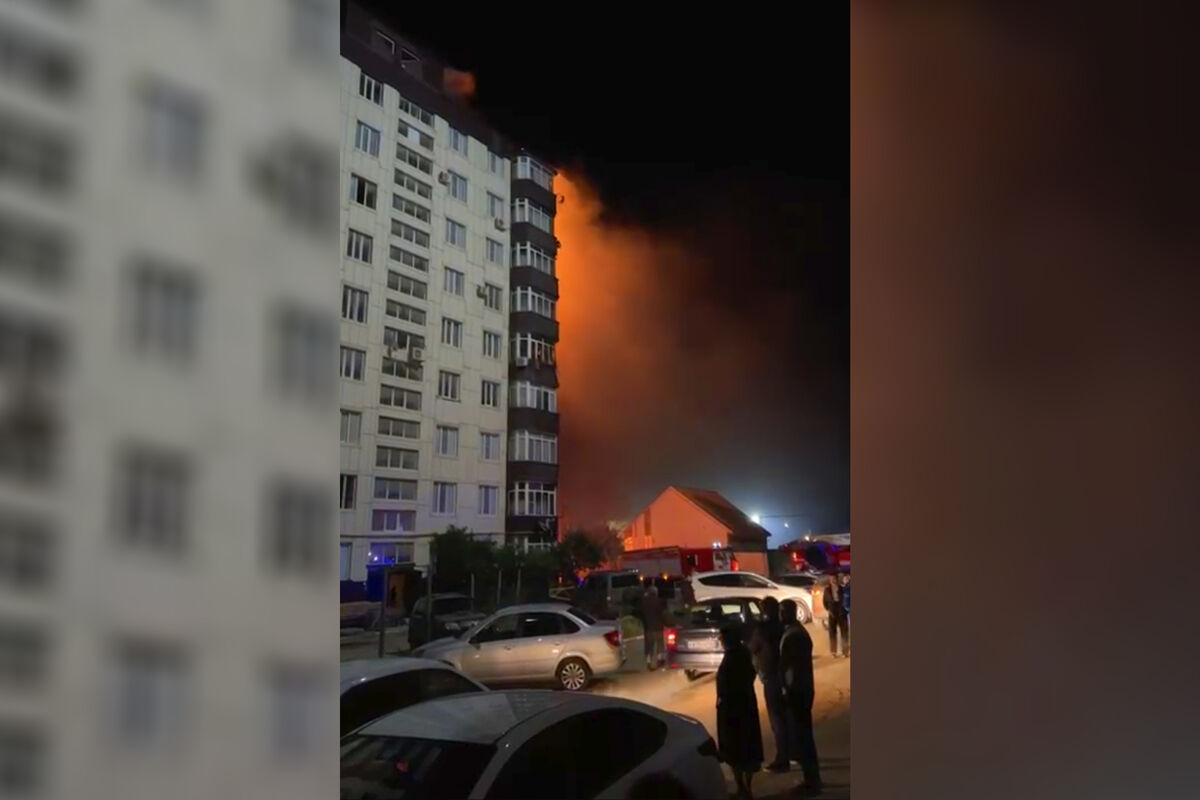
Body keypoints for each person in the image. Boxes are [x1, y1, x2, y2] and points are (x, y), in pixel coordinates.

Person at [780, 599, 822, 794]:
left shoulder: (795, 635)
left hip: (798, 691)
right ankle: (811, 779)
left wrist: (787, 690)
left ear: (790, 612)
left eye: (782, 611)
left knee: (803, 736)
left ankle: (812, 782)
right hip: (801, 689)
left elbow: (792, 668)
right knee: (803, 736)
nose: (780, 615)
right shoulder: (794, 632)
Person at [716, 625, 763, 799]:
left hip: (732, 710)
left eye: (721, 638)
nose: (720, 641)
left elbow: (725, 686)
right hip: (746, 706)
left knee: (735, 749)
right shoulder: (743, 654)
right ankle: (746, 787)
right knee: (747, 747)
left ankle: (742, 788)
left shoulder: (732, 658)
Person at [748, 596, 791, 772]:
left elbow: (752, 648)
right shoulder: (783, 626)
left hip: (772, 677)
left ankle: (783, 759)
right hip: (785, 677)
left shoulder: (762, 629)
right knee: (786, 717)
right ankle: (792, 753)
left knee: (777, 720)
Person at [638, 583, 664, 670]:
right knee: (659, 643)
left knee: (649, 646)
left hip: (648, 627)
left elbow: (640, 613)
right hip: (658, 627)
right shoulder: (658, 601)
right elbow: (662, 613)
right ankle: (659, 659)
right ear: (656, 592)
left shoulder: (643, 601)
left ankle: (648, 662)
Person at [822, 575, 849, 658]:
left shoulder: (842, 589)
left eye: (835, 579)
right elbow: (824, 602)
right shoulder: (827, 590)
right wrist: (829, 610)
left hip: (841, 612)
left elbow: (846, 600)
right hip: (832, 612)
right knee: (832, 632)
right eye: (832, 579)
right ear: (830, 581)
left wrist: (844, 609)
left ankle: (845, 651)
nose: (833, 580)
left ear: (837, 580)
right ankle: (833, 651)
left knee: (844, 632)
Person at [840, 573, 851, 656]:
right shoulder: (841, 589)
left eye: (848, 578)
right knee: (844, 632)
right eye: (845, 578)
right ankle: (845, 650)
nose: (846, 580)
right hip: (843, 612)